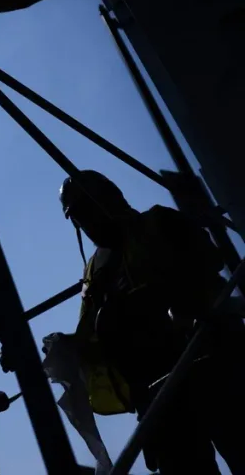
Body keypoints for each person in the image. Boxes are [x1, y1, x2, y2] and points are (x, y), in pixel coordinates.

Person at [54, 170, 245, 474]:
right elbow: (96, 333)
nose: (88, 224)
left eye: (89, 212)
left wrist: (160, 294)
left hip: (210, 361)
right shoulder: (97, 271)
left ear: (111, 200)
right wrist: (68, 347)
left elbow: (209, 261)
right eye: (80, 219)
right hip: (158, 394)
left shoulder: (158, 223)